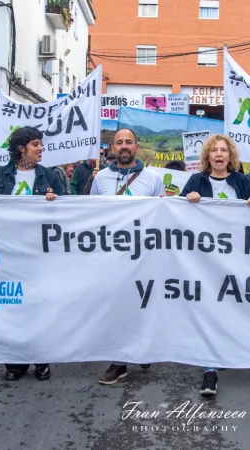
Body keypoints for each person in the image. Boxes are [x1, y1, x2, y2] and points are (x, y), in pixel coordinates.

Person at [180, 135, 250, 397]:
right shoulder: (196, 181)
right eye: (214, 150)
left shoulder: (241, 181)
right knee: (209, 307)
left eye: (224, 150)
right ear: (207, 156)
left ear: (230, 156)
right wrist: (187, 200)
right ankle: (209, 369)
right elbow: (176, 212)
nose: (219, 154)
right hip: (204, 257)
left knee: (230, 305)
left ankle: (224, 350)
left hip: (235, 254)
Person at [0, 126, 60, 381]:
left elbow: (68, 211)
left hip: (39, 253)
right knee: (12, 307)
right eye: (36, 144)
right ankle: (15, 361)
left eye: (41, 144)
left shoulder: (49, 175)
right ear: (21, 148)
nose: (41, 148)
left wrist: (56, 200)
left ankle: (41, 358)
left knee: (39, 306)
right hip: (8, 252)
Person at [90, 128, 164, 386]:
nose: (123, 146)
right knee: (116, 306)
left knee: (142, 303)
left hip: (142, 254)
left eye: (128, 142)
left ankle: (142, 346)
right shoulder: (100, 178)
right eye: (119, 142)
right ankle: (118, 362)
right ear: (112, 148)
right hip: (111, 255)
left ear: (137, 146)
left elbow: (163, 215)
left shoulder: (153, 178)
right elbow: (90, 214)